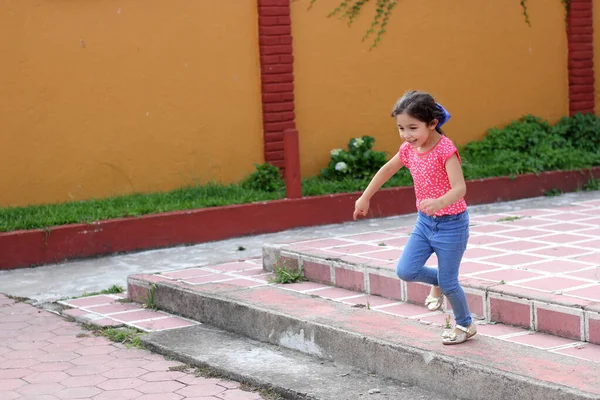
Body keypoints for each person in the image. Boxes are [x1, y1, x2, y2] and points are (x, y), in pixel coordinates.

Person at [353, 90, 475, 345]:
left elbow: (460, 188)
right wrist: (365, 197)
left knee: (450, 282)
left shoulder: (445, 150)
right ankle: (438, 283)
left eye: (412, 128)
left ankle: (465, 325)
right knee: (406, 270)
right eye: (401, 128)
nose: (407, 135)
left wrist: (439, 202)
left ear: (432, 124)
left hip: (452, 225)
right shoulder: (408, 150)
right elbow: (387, 169)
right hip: (425, 223)